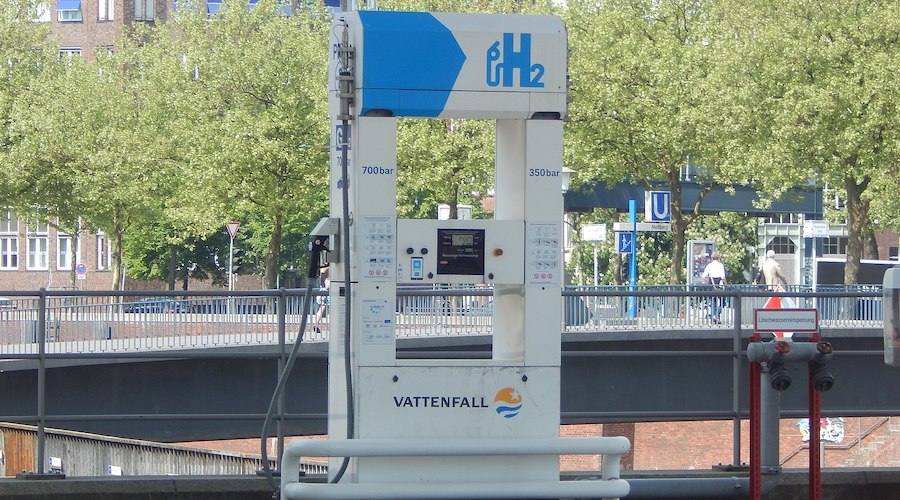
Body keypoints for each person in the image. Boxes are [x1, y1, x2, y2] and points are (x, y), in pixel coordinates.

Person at [701, 251, 727, 323]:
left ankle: (714, 316)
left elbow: (703, 276)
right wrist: (726, 284)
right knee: (723, 302)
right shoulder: (720, 265)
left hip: (711, 285)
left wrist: (708, 281)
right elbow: (723, 277)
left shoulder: (709, 265)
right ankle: (717, 315)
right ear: (719, 257)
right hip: (719, 285)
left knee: (713, 302)